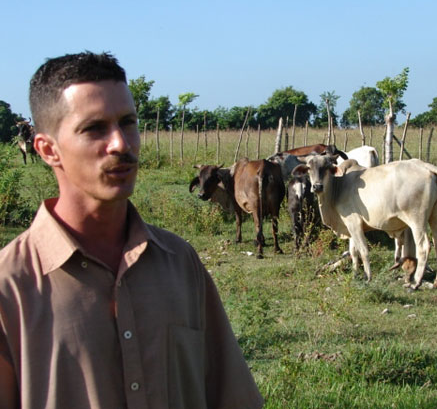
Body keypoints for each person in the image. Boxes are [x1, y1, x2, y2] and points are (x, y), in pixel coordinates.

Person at [0, 52, 264, 409]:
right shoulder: (10, 287)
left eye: (128, 122)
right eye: (94, 128)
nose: (121, 144)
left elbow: (232, 395)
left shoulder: (180, 262)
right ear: (48, 150)